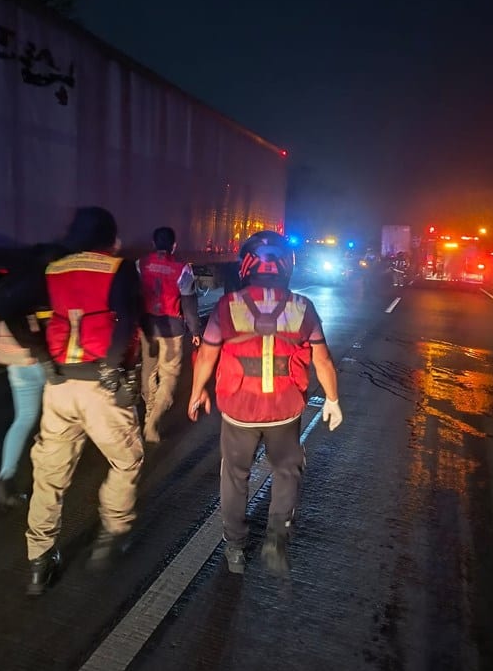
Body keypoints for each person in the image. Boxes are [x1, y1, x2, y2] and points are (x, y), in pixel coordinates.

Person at [188, 231, 343, 576]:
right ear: (286, 267)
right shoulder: (303, 307)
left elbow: (207, 356)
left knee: (234, 475)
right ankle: (276, 538)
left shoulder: (228, 306)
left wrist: (198, 390)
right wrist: (332, 399)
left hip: (239, 410)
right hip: (283, 411)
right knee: (287, 471)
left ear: (246, 265)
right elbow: (323, 360)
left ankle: (235, 547)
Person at [25, 207, 144, 596]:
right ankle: (113, 532)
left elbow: (7, 310)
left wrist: (43, 358)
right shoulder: (118, 268)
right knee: (126, 459)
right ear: (111, 238)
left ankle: (39, 562)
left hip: (58, 387)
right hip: (100, 387)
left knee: (49, 474)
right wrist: (112, 368)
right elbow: (127, 318)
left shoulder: (53, 268)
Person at [0, 243, 66, 508]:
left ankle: (5, 480)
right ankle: (46, 487)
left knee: (23, 419)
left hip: (17, 363)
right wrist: (44, 356)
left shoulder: (12, 284)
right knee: (56, 424)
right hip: (41, 363)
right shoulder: (42, 283)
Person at [137, 226, 201, 443]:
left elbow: (134, 295)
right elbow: (189, 302)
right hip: (172, 330)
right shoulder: (182, 268)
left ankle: (148, 411)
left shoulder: (141, 264)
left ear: (153, 244)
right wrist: (195, 330)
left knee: (148, 372)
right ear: (174, 245)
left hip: (148, 328)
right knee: (169, 376)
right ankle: (152, 421)